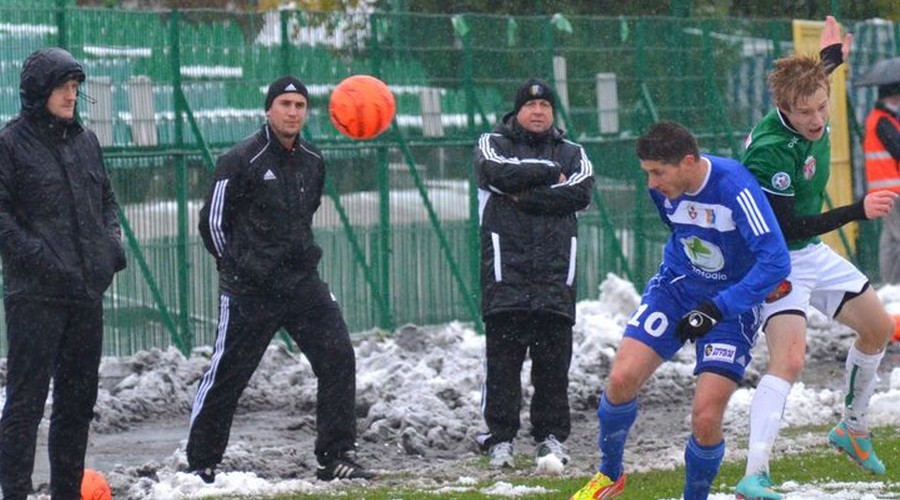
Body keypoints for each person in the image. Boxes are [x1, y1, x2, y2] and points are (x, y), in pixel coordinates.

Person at [571, 121, 791, 500]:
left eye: (658, 172)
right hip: (675, 289)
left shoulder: (734, 188)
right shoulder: (664, 191)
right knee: (621, 379)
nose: (651, 185)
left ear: (689, 161)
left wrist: (719, 307)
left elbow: (776, 262)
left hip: (730, 306)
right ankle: (609, 476)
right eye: (647, 173)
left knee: (705, 418)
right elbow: (682, 233)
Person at [734, 17, 897, 500]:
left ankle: (851, 427)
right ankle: (754, 474)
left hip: (810, 253)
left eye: (822, 107)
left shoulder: (813, 95)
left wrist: (832, 59)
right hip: (774, 258)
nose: (817, 119)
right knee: (789, 360)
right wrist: (857, 211)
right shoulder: (768, 152)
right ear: (782, 108)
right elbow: (785, 229)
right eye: (805, 112)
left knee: (878, 329)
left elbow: (816, 78)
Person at [187, 75, 373, 483]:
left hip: (301, 283)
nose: (292, 112)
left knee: (338, 356)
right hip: (250, 288)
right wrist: (236, 270)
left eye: (300, 106)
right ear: (269, 110)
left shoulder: (313, 159)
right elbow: (212, 223)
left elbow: (305, 215)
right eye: (285, 104)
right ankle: (201, 462)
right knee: (229, 373)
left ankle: (337, 454)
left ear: (307, 113)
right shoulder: (240, 159)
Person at [0, 47, 127, 499]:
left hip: (85, 294)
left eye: (75, 88)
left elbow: (107, 202)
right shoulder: (10, 144)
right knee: (26, 405)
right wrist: (41, 259)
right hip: (35, 296)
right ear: (39, 91)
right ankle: (13, 492)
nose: (71, 96)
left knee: (77, 406)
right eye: (63, 87)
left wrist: (111, 248)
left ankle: (66, 494)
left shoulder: (86, 141)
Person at [472, 78, 595, 473]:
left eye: (545, 106)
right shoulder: (493, 143)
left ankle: (550, 438)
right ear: (518, 110)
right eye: (530, 105)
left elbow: (581, 191)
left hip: (556, 278)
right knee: (503, 365)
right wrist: (547, 171)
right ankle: (501, 439)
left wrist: (525, 196)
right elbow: (494, 172)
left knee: (553, 367)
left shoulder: (573, 152)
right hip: (507, 276)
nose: (538, 112)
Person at [862, 81, 900, 287]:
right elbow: (897, 149)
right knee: (895, 238)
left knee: (891, 240)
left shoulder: (882, 120)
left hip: (885, 189)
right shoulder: (882, 121)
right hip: (893, 190)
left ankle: (892, 284)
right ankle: (893, 284)